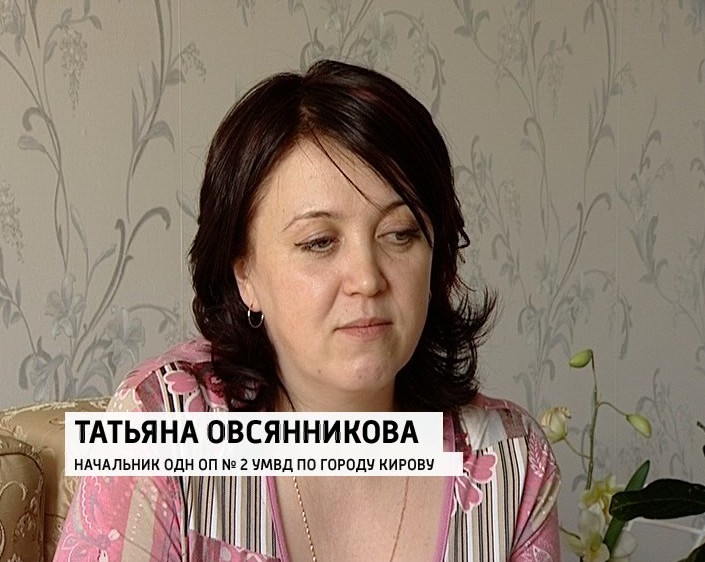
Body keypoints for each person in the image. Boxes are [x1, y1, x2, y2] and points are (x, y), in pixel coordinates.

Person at [53, 60, 560, 562]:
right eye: (319, 242)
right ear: (245, 273)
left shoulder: (511, 462)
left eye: (400, 234)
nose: (367, 279)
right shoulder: (156, 429)